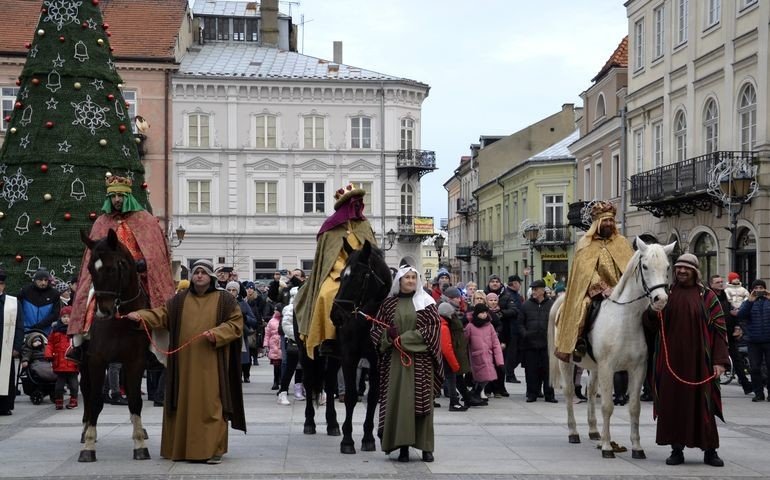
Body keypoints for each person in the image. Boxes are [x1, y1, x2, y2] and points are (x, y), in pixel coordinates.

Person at [125, 259, 245, 464]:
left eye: (203, 272)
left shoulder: (224, 300)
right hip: (182, 364)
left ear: (211, 277)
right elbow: (161, 315)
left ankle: (213, 450)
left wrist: (217, 333)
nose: (199, 275)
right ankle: (180, 449)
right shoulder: (179, 300)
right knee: (181, 403)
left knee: (211, 404)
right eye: (196, 272)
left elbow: (236, 323)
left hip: (211, 363)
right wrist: (141, 316)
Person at [68, 175, 174, 362]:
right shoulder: (102, 221)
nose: (117, 200)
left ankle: (157, 345)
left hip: (138, 275)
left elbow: (155, 254)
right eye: (113, 196)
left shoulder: (146, 220)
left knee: (156, 300)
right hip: (108, 276)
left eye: (121, 195)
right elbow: (93, 254)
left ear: (128, 197)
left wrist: (143, 264)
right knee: (90, 296)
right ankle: (79, 342)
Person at [646, 253, 728, 467]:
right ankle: (676, 450)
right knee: (673, 405)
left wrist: (719, 361)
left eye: (686, 268)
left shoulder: (707, 296)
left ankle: (710, 451)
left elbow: (720, 330)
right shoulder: (667, 294)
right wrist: (651, 312)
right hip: (671, 361)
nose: (681, 271)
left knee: (704, 406)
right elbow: (651, 327)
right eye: (678, 268)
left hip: (701, 362)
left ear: (695, 271)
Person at [295, 184, 376, 359]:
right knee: (327, 294)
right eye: (354, 203)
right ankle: (329, 339)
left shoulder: (364, 225)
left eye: (359, 203)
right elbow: (330, 258)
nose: (357, 206)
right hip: (338, 273)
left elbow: (372, 251)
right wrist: (346, 270)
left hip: (364, 273)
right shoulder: (330, 228)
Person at [371, 265, 443, 463]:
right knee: (399, 403)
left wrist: (403, 339)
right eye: (407, 277)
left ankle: (426, 447)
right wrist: (387, 335)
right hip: (395, 363)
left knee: (422, 404)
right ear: (399, 281)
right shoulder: (387, 305)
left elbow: (433, 330)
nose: (411, 280)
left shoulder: (426, 302)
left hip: (421, 363)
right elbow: (376, 330)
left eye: (414, 277)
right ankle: (402, 446)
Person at [554, 201, 633, 362]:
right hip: (595, 291)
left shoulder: (622, 242)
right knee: (583, 307)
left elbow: (630, 268)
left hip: (621, 290)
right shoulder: (586, 243)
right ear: (597, 222)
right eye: (605, 220)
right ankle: (577, 342)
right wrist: (603, 288)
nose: (609, 223)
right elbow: (585, 271)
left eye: (611, 220)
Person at [711, 275, 752, 395]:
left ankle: (746, 385)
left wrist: (737, 327)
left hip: (728, 333)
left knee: (737, 359)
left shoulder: (724, 296)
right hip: (715, 334)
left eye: (721, 282)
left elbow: (731, 313)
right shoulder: (709, 297)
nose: (720, 284)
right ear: (712, 284)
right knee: (714, 361)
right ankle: (712, 386)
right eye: (717, 282)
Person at [519, 279, 557, 403]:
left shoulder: (552, 304)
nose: (533, 292)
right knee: (531, 371)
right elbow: (520, 323)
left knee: (548, 371)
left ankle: (549, 395)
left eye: (536, 289)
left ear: (542, 290)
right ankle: (532, 394)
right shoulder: (526, 305)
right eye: (532, 289)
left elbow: (557, 322)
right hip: (530, 344)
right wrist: (525, 334)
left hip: (547, 344)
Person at [464, 303, 504, 405]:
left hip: (488, 356)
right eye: (482, 313)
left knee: (487, 377)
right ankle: (475, 395)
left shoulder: (489, 326)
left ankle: (475, 394)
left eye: (486, 312)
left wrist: (499, 360)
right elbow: (464, 342)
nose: (484, 315)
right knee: (479, 377)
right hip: (476, 356)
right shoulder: (470, 326)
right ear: (477, 313)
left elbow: (495, 342)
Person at [737, 279, 770, 402]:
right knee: (754, 368)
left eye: (761, 288)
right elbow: (741, 315)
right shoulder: (748, 302)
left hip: (768, 340)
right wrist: (750, 301)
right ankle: (758, 393)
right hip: (753, 341)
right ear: (752, 290)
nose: (759, 290)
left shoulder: (768, 301)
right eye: (756, 288)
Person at [437, 302, 471, 411]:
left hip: (442, 358)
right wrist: (455, 364)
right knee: (451, 380)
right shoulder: (444, 327)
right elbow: (446, 348)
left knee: (446, 379)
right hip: (446, 359)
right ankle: (454, 402)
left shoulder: (441, 324)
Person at [45, 306, 79, 410]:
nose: (66, 319)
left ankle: (73, 400)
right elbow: (50, 344)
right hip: (59, 362)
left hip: (72, 362)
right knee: (59, 385)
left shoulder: (76, 331)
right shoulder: (55, 331)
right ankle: (58, 400)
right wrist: (48, 354)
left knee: (73, 384)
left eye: (68, 317)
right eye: (64, 317)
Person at [0, 271, 24, 416]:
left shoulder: (13, 303)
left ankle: (4, 406)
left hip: (6, 346)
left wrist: (17, 346)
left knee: (5, 377)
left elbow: (20, 326)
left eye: (1, 284)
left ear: (4, 285)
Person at [226, 281, 257, 383]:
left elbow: (254, 320)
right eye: (229, 290)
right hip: (225, 334)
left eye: (234, 290)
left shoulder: (243, 304)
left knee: (242, 358)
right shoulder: (222, 303)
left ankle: (245, 375)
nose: (231, 292)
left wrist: (245, 317)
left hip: (240, 335)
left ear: (238, 291)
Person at [18, 269, 59, 335]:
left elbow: (55, 314)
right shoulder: (25, 291)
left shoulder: (54, 293)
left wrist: (40, 325)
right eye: (40, 280)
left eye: (46, 280)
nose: (43, 283)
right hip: (26, 330)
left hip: (46, 331)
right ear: (35, 280)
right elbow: (18, 309)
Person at [263, 304, 284, 391]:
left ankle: (281, 380)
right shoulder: (272, 321)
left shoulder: (284, 320)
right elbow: (267, 333)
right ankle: (276, 381)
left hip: (282, 344)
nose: (275, 311)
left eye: (277, 310)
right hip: (274, 345)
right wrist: (266, 344)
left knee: (283, 365)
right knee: (276, 365)